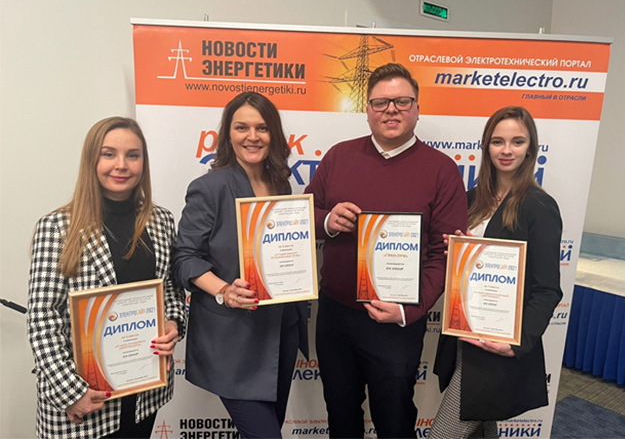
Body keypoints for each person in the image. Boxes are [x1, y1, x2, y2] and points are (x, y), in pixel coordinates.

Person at [304, 63, 468, 438]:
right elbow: (303, 215)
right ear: (367, 110)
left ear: (417, 108)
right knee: (340, 413)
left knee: (394, 419)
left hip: (396, 321)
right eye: (380, 102)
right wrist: (327, 220)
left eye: (401, 101)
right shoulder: (338, 156)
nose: (391, 110)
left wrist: (408, 311)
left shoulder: (442, 170)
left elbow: (444, 255)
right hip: (336, 315)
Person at [27, 117, 186, 439]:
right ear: (92, 160)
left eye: (133, 155)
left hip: (143, 394)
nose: (121, 165)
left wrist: (173, 322)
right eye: (109, 154)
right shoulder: (57, 227)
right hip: (84, 399)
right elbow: (42, 317)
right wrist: (71, 392)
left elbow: (170, 289)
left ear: (143, 162)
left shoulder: (160, 221)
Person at [172, 92, 309, 439]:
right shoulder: (209, 188)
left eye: (262, 128)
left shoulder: (281, 184)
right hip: (233, 339)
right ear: (228, 134)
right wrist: (224, 290)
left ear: (273, 134)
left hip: (280, 331)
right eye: (242, 127)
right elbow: (184, 258)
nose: (252, 136)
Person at [429, 106, 563, 438]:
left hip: (498, 346)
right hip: (463, 336)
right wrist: (455, 256)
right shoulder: (469, 199)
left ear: (530, 149)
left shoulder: (539, 206)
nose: (507, 150)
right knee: (481, 429)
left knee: (443, 433)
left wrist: (517, 344)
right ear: (486, 146)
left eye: (517, 142)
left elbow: (547, 289)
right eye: (497, 141)